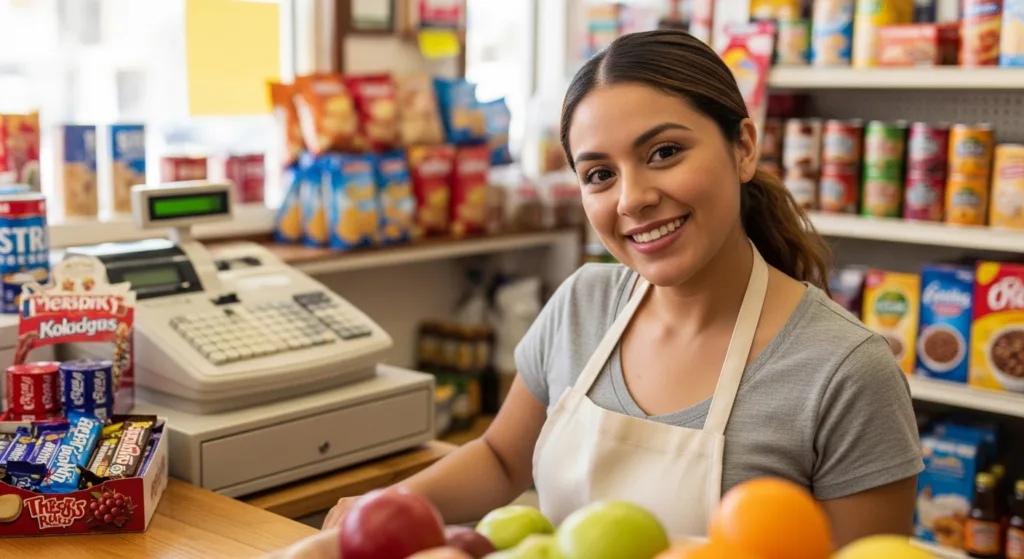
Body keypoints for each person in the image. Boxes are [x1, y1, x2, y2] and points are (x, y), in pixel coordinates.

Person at [322, 29, 923, 548]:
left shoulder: (844, 372)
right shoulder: (584, 303)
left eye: (664, 152)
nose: (631, 199)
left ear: (742, 147)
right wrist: (384, 508)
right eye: (600, 174)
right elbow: (503, 460)